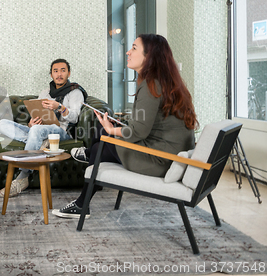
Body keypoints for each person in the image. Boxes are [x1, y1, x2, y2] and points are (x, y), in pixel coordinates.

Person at [53, 34, 198, 219]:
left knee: (100, 146)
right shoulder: (166, 82)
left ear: (150, 56)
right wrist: (115, 127)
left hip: (159, 160)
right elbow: (149, 125)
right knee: (100, 130)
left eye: (134, 48)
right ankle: (89, 160)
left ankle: (82, 202)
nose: (128, 52)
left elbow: (139, 131)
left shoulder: (151, 85)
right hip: (168, 155)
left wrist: (113, 130)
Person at [0, 59, 88, 198]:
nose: (59, 74)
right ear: (51, 74)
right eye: (55, 71)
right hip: (41, 129)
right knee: (2, 123)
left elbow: (74, 117)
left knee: (37, 131)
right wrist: (31, 124)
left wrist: (59, 107)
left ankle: (23, 177)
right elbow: (37, 113)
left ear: (69, 73)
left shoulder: (75, 92)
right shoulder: (45, 92)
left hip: (62, 132)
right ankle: (38, 140)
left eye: (63, 70)